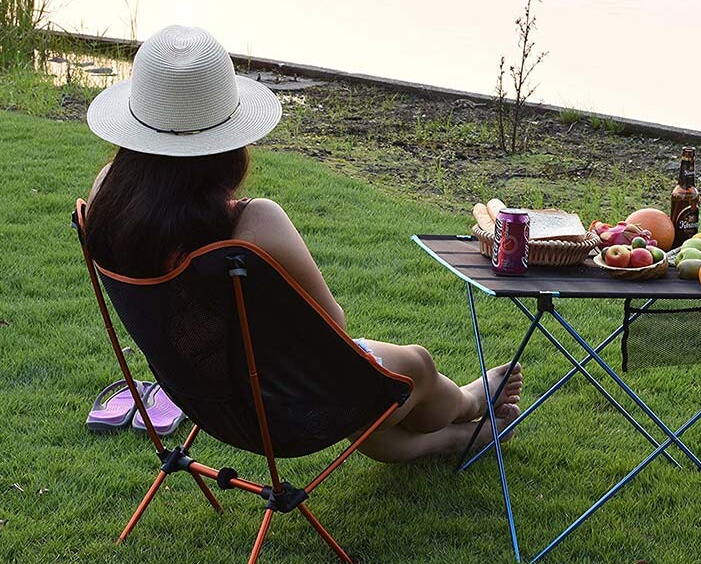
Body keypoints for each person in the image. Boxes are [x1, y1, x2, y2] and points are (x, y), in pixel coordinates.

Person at [84, 25, 523, 462]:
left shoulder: (108, 200)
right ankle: (470, 401)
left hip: (204, 401)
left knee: (369, 393)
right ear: (227, 139)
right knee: (415, 367)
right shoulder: (255, 222)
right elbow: (333, 322)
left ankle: (452, 440)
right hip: (292, 414)